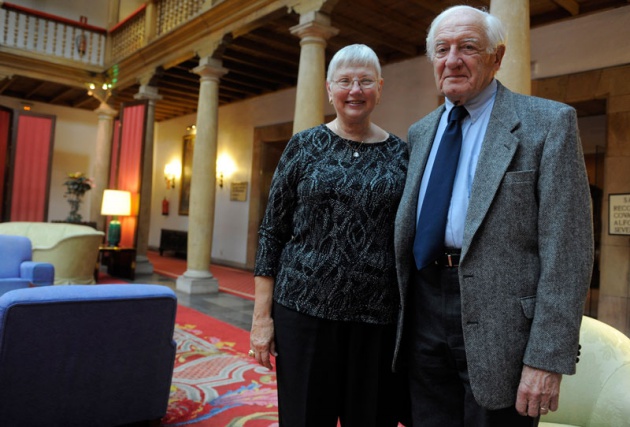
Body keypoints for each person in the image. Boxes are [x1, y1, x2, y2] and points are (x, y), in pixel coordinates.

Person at [393, 5, 593, 427]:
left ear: (497, 58)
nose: (452, 60)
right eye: (442, 49)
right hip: (424, 311)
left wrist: (546, 358)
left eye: (468, 47)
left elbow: (568, 252)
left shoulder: (548, 124)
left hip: (505, 333)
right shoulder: (420, 133)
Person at [249, 44, 408, 427]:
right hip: (303, 314)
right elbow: (272, 231)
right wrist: (261, 318)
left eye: (365, 81)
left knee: (370, 419)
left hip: (376, 320)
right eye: (345, 81)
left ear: (380, 88)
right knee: (305, 418)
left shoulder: (402, 155)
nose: (355, 90)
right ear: (329, 89)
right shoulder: (303, 146)